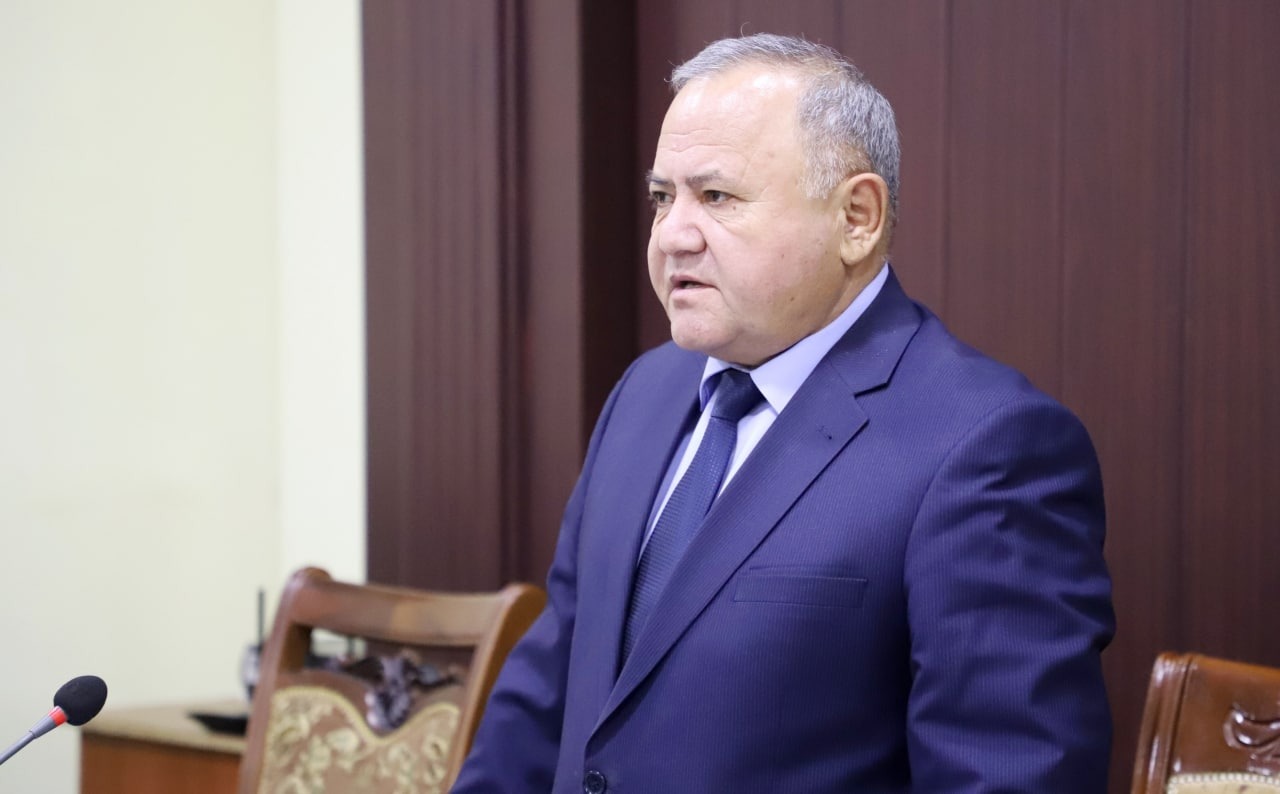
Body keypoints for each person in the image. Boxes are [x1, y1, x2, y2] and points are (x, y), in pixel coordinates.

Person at [452, 33, 1113, 793]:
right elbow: (549, 694)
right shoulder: (645, 392)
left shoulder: (987, 446)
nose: (672, 236)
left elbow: (1004, 775)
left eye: (717, 197)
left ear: (857, 217)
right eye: (663, 198)